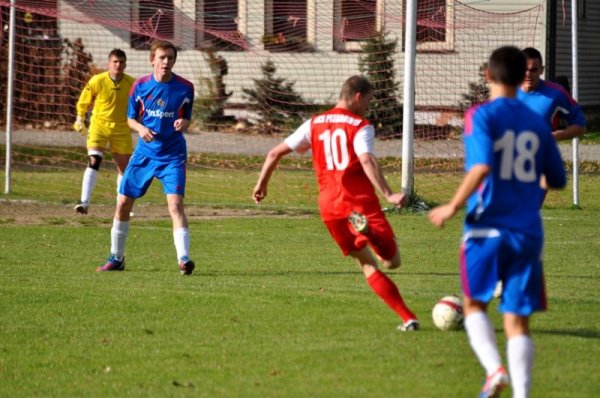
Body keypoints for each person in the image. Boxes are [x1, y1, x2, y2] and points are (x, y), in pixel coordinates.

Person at [428, 46, 566, 398]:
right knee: (518, 320)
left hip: (485, 228)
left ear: (487, 75)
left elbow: (482, 166)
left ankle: (494, 371)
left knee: (474, 304)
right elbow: (557, 179)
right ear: (524, 75)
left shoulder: (481, 115)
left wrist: (452, 205)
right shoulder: (538, 120)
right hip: (527, 232)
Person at [252, 75, 419, 332]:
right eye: (368, 101)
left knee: (366, 264)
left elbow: (274, 153)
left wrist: (262, 184)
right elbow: (366, 160)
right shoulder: (360, 125)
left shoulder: (314, 123)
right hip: (359, 203)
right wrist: (388, 194)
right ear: (358, 96)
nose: (367, 107)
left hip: (330, 208)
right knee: (392, 262)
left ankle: (408, 319)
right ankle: (371, 233)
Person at [97, 41, 196, 275]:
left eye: (170, 58)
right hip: (144, 155)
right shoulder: (140, 86)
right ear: (152, 59)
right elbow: (130, 118)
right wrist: (141, 129)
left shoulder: (185, 87)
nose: (166, 62)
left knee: (175, 206)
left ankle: (184, 259)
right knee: (122, 203)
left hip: (172, 155)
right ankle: (116, 258)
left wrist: (185, 123)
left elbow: (188, 117)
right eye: (162, 57)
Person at [73, 49, 135, 215]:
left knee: (124, 167)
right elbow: (84, 100)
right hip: (99, 125)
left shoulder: (132, 83)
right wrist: (79, 118)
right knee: (94, 160)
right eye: (115, 62)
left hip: (121, 128)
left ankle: (122, 206)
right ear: (109, 63)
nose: (118, 65)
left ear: (125, 64)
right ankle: (84, 202)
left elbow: (140, 104)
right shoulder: (97, 80)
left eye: (121, 62)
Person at [517, 47, 586, 141]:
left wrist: (553, 137)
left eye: (533, 70)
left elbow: (580, 126)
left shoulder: (556, 93)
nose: (528, 74)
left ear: (541, 70)